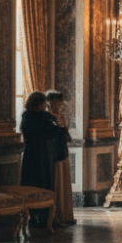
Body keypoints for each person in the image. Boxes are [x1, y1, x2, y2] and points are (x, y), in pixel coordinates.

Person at [19, 91, 60, 227]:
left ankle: (33, 216)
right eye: (44, 103)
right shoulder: (45, 117)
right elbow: (53, 132)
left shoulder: (26, 117)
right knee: (43, 183)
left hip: (30, 154)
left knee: (31, 183)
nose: (45, 106)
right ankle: (43, 216)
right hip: (42, 155)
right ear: (38, 103)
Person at [46, 90, 76, 226]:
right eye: (55, 102)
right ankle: (55, 216)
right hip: (53, 154)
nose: (58, 105)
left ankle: (64, 214)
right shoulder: (47, 117)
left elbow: (66, 134)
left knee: (63, 181)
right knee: (56, 182)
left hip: (62, 152)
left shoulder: (61, 116)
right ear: (49, 103)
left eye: (59, 103)